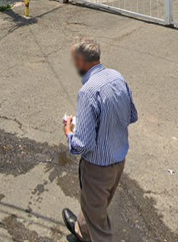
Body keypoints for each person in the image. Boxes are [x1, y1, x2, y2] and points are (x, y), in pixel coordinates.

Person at [62, 37, 138, 242]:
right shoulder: (117, 77)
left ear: (80, 61)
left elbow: (82, 145)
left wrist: (69, 132)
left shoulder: (88, 92)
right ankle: (82, 232)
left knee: (100, 226)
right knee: (96, 207)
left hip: (97, 168)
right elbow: (132, 115)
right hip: (118, 160)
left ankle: (90, 233)